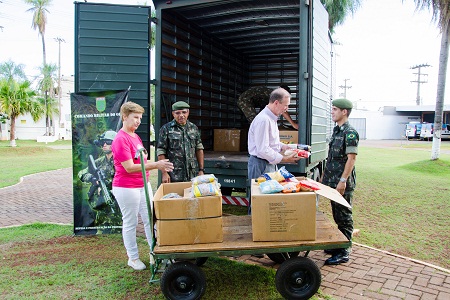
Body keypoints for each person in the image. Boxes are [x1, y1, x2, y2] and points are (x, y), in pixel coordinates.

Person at [111, 101, 174, 271]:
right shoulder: (120, 139)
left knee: (149, 220)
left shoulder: (135, 136)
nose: (138, 121)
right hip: (126, 187)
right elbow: (129, 167)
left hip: (143, 185)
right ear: (125, 117)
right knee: (130, 222)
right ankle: (133, 258)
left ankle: (155, 252)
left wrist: (157, 164)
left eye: (140, 117)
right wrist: (157, 165)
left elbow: (142, 159)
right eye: (135, 117)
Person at [247, 87, 302, 213]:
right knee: (259, 202)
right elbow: (262, 149)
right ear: (276, 102)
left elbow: (271, 142)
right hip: (260, 164)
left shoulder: (271, 118)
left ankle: (264, 227)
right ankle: (254, 228)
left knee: (268, 200)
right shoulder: (264, 120)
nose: (286, 109)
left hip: (268, 163)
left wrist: (284, 146)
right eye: (286, 105)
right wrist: (284, 158)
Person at [320, 98, 359, 265]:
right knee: (337, 215)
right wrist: (324, 178)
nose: (332, 111)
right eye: (332, 108)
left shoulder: (350, 132)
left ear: (345, 112)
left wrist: (343, 181)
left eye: (335, 109)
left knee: (344, 217)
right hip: (332, 181)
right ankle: (339, 244)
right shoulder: (337, 130)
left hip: (342, 183)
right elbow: (331, 158)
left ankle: (344, 251)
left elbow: (351, 159)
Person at [78, 130, 121, 234]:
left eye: (108, 142)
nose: (104, 145)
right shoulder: (99, 161)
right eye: (102, 143)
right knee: (103, 229)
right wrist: (92, 179)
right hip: (102, 203)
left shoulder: (120, 160)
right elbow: (81, 173)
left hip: (118, 201)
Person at [157, 101, 205, 183]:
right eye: (178, 113)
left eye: (184, 112)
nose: (181, 115)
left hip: (192, 174)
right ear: (173, 114)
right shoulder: (166, 129)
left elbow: (199, 148)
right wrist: (164, 173)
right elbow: (161, 151)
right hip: (174, 174)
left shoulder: (193, 128)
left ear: (188, 112)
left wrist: (201, 170)